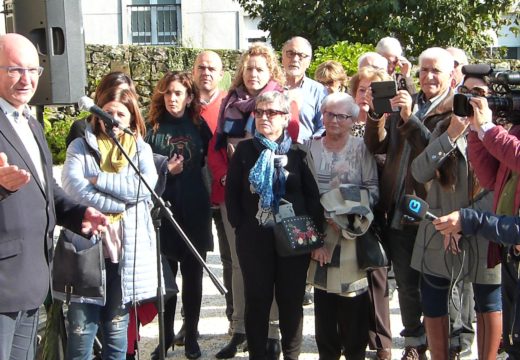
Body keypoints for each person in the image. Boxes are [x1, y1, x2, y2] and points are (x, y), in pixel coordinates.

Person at [0, 33, 107, 359]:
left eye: (34, 70)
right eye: (15, 69)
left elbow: (48, 190)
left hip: (33, 278)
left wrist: (79, 214)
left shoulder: (30, 122)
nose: (27, 79)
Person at [364, 47, 456, 360]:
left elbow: (438, 156)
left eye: (436, 71)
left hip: (433, 210)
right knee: (405, 283)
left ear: (449, 74)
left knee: (439, 282)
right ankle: (414, 343)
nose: (429, 76)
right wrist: (377, 113)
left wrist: (410, 119)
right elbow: (375, 144)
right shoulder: (408, 101)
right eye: (424, 70)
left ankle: (447, 344)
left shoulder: (452, 109)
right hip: (399, 209)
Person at [61, 85, 160, 359]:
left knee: (117, 333)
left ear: (131, 120)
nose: (113, 119)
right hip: (87, 250)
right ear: (96, 115)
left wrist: (100, 181)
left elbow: (144, 187)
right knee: (81, 331)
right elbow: (73, 188)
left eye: (120, 114)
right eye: (107, 112)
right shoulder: (79, 146)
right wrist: (120, 202)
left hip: (124, 253)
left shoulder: (140, 149)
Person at [409, 73, 502, 360]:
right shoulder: (444, 128)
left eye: (479, 91)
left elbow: (502, 189)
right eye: (465, 90)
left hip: (484, 230)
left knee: (488, 302)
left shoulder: (502, 132)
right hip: (440, 230)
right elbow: (418, 172)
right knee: (434, 301)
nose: (471, 97)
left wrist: (464, 220)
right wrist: (450, 135)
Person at [225, 90, 323, 360]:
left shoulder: (298, 152)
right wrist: (241, 227)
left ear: (285, 117)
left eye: (271, 113)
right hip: (255, 238)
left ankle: (291, 355)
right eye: (259, 112)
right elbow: (231, 193)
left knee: (291, 302)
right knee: (257, 301)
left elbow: (313, 196)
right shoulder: (245, 150)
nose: (264, 117)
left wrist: (317, 238)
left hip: (293, 238)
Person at [210, 42, 292, 359]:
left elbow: (290, 144)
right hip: (237, 198)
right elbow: (216, 149)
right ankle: (240, 330)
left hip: (272, 196)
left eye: (259, 68)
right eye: (248, 67)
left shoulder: (280, 102)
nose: (253, 73)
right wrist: (227, 177)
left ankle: (271, 332)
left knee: (270, 267)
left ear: (270, 71)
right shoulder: (229, 102)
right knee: (240, 268)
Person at [306, 92, 379, 360]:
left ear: (353, 119)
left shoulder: (362, 148)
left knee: (353, 303)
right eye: (328, 114)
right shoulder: (310, 147)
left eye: (341, 115)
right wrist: (320, 220)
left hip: (352, 234)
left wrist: (344, 213)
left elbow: (372, 190)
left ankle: (355, 354)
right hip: (319, 235)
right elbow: (304, 191)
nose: (334, 120)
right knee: (323, 302)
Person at [146, 71, 212, 360]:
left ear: (189, 98)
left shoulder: (199, 126)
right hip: (163, 209)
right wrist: (164, 170)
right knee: (166, 280)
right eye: (169, 92)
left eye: (179, 93)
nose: (173, 98)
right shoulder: (151, 127)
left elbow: (209, 162)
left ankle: (192, 335)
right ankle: (165, 337)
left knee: (194, 277)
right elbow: (141, 168)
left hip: (195, 209)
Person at [170, 50, 231, 347]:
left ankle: (235, 321)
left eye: (212, 68)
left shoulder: (229, 103)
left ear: (221, 74)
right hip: (190, 201)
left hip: (220, 196)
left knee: (229, 262)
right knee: (183, 266)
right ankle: (186, 326)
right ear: (193, 72)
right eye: (201, 67)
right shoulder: (183, 104)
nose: (205, 72)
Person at [456, 87, 520, 358]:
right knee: (514, 330)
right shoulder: (515, 130)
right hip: (510, 247)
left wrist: (489, 129)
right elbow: (490, 178)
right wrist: (475, 132)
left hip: (511, 233)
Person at [349, 65, 394, 360]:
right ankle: (353, 339)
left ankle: (382, 345)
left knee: (378, 275)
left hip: (380, 208)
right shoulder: (343, 120)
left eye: (372, 90)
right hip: (348, 208)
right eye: (361, 89)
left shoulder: (390, 124)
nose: (366, 95)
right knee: (352, 276)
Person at [66, 71, 136, 147]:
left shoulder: (136, 135)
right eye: (112, 93)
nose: (118, 97)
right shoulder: (82, 128)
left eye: (125, 94)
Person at [281, 36, 328, 142]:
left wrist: (309, 145)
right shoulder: (271, 88)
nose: (295, 59)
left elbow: (324, 126)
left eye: (302, 56)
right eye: (290, 53)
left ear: (309, 62)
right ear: (282, 57)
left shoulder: (318, 91)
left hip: (306, 152)